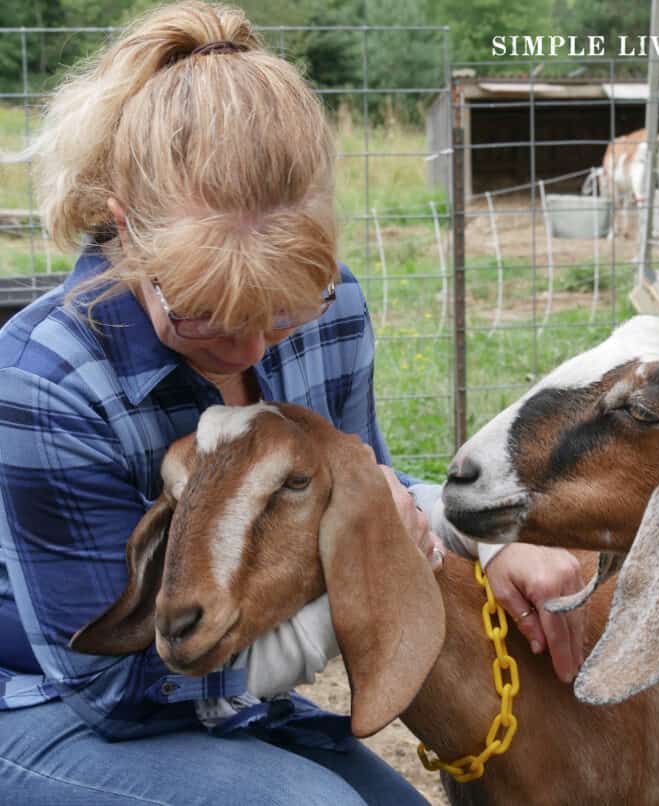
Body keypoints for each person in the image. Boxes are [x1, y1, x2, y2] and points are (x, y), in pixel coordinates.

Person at [0, 3, 585, 803]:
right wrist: (332, 621)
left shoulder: (335, 305)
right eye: (200, 312)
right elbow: (114, 689)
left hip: (228, 698)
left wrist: (486, 539)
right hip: (48, 704)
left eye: (281, 313)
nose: (245, 351)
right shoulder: (45, 380)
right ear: (122, 225)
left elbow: (363, 482)